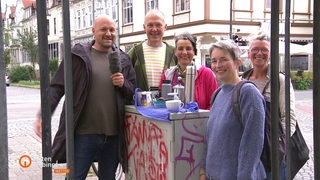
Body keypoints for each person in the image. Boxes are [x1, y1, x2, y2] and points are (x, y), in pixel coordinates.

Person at [34, 15, 136, 179]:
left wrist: (124, 84)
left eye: (112, 29)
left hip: (113, 136)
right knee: (75, 176)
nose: (108, 33)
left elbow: (132, 92)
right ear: (93, 31)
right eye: (103, 29)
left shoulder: (123, 59)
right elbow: (57, 87)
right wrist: (43, 114)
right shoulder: (78, 55)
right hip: (83, 135)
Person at [200, 40, 266, 179]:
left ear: (237, 62)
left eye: (223, 60)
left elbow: (252, 144)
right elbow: (210, 138)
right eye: (214, 61)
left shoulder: (248, 93)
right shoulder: (217, 94)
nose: (218, 65)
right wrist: (203, 170)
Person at [242, 31, 297, 180]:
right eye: (255, 49)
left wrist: (277, 142)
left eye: (264, 50)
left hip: (272, 154)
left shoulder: (280, 80)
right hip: (247, 151)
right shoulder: (242, 80)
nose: (259, 53)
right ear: (249, 53)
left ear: (271, 54)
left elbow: (289, 117)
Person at [158, 32, 218, 110]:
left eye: (188, 48)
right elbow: (161, 103)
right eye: (180, 49)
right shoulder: (167, 75)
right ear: (175, 52)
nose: (184, 52)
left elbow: (214, 104)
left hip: (200, 121)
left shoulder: (206, 73)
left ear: (194, 51)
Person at [128, 9, 176, 91]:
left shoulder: (173, 53)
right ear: (144, 27)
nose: (154, 29)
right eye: (150, 25)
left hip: (167, 103)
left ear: (165, 27)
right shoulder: (134, 53)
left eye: (158, 25)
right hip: (141, 103)